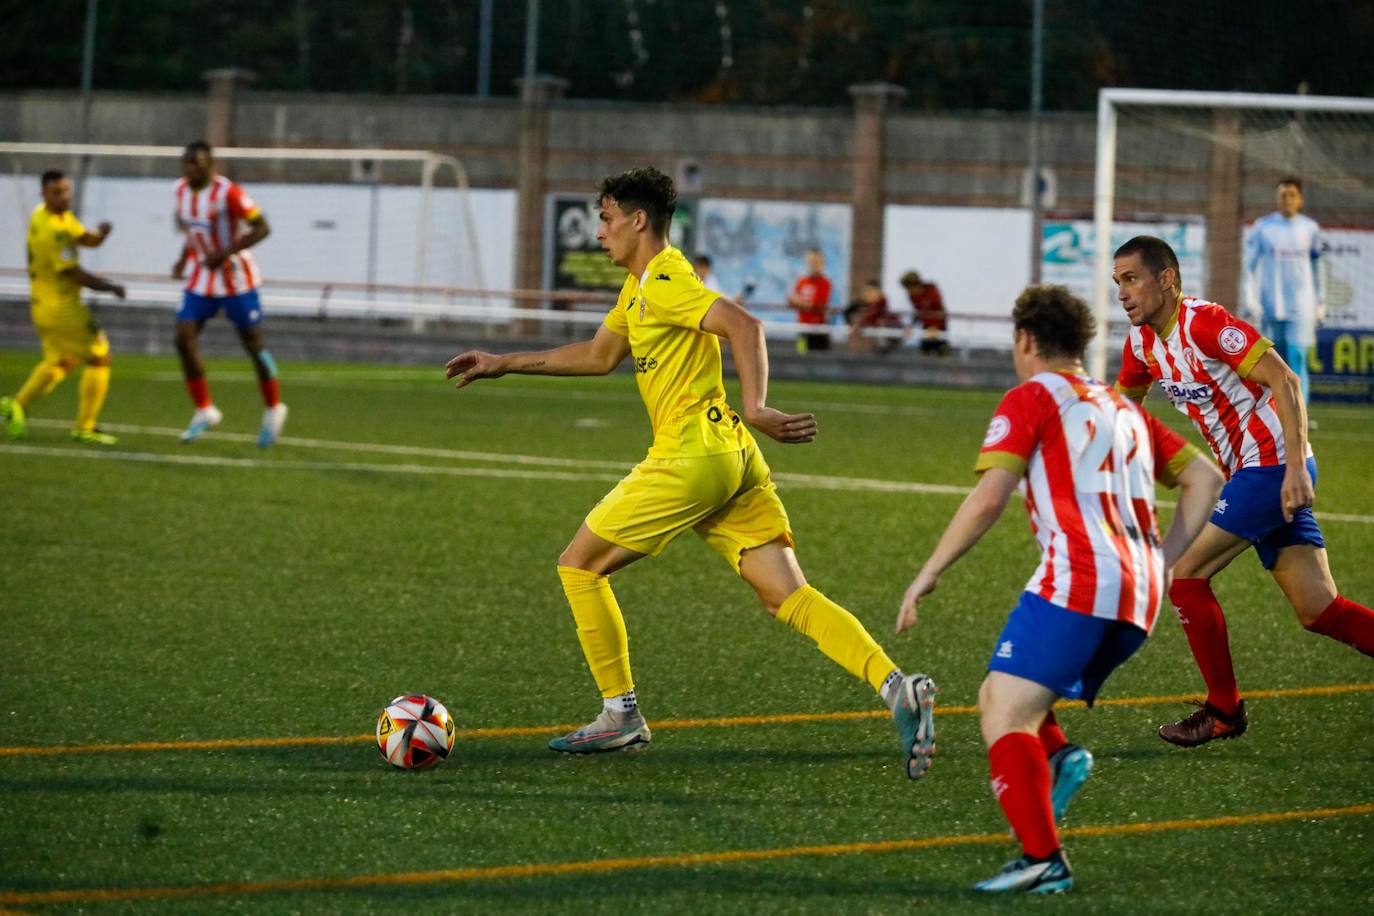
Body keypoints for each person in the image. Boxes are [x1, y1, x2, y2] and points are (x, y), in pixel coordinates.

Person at [445, 167, 936, 775]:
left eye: (605, 218)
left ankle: (619, 715)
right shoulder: (640, 287)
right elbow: (599, 356)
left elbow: (744, 324)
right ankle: (896, 687)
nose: (599, 232)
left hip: (691, 455)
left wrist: (757, 406)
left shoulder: (667, 280)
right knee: (787, 596)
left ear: (637, 220)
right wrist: (504, 363)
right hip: (731, 459)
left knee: (578, 566)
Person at [897, 284, 1222, 894]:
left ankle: (1042, 858)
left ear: (1025, 341)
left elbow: (991, 495)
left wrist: (930, 569)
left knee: (1006, 716)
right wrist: (1166, 557)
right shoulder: (1124, 407)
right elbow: (1205, 476)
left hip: (1083, 578)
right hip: (1142, 592)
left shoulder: (1031, 397)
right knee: (1000, 693)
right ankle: (1059, 759)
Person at [1114, 235, 1374, 747]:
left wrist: (1297, 468)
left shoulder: (1206, 323)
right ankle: (1224, 711)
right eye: (1117, 282)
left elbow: (1285, 381)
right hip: (1249, 475)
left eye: (1131, 279)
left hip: (1273, 465)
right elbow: (1122, 411)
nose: (1122, 293)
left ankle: (1224, 712)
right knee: (1319, 610)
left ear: (1166, 279)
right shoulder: (1141, 344)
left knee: (1183, 574)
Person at [171, 141, 287, 447]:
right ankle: (204, 409)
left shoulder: (229, 193)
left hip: (236, 278)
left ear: (211, 165)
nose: (190, 169)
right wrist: (183, 260)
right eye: (187, 163)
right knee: (183, 337)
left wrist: (224, 252)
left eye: (197, 163)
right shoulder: (180, 192)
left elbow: (262, 228)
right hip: (201, 277)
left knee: (253, 346)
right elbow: (194, 232)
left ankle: (274, 408)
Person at [1, 170, 126, 445]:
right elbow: (75, 273)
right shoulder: (54, 231)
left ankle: (16, 405)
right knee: (99, 357)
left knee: (61, 361)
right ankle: (85, 427)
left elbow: (83, 237)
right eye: (57, 192)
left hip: (42, 306)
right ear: (44, 194)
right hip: (62, 308)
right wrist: (110, 287)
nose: (63, 196)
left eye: (66, 190)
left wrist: (100, 235)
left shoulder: (46, 215)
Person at [1243, 177, 1325, 404]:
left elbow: (1318, 269)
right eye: (1283, 195)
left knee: (1298, 359)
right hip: (1271, 306)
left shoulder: (1310, 228)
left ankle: (1301, 414)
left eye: (1292, 195)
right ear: (1276, 199)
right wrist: (1250, 298)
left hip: (1301, 307)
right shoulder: (1263, 227)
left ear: (1300, 200)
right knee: (1273, 364)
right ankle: (1275, 414)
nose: (1287, 199)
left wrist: (1321, 301)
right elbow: (1249, 267)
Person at [787, 248, 832, 352]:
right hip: (802, 327)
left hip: (818, 329)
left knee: (818, 359)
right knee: (801, 354)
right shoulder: (802, 281)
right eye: (811, 262)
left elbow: (818, 306)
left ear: (822, 263)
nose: (813, 265)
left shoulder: (825, 282)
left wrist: (800, 304)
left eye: (816, 262)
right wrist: (801, 304)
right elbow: (790, 301)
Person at [843, 279, 901, 354]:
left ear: (879, 293)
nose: (867, 294)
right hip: (857, 348)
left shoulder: (883, 308)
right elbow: (848, 316)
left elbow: (892, 322)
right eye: (865, 291)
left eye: (871, 291)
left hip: (874, 347)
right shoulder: (856, 306)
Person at [900, 270, 950, 355]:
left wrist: (936, 327)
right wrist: (910, 326)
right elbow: (918, 313)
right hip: (926, 328)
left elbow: (939, 310)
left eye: (909, 289)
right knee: (925, 351)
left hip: (938, 327)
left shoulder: (932, 291)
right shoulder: (912, 296)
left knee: (941, 350)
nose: (909, 292)